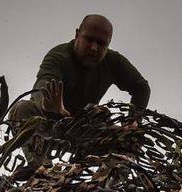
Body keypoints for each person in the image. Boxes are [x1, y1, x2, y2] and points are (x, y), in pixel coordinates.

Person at [8, 14, 150, 178]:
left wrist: (133, 120)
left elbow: (141, 88)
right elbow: (44, 84)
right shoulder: (58, 56)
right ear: (77, 35)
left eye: (101, 43)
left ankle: (110, 182)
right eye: (89, 39)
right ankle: (41, 170)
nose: (94, 48)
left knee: (130, 138)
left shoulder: (113, 61)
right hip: (48, 126)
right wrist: (49, 105)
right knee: (21, 109)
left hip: (84, 130)